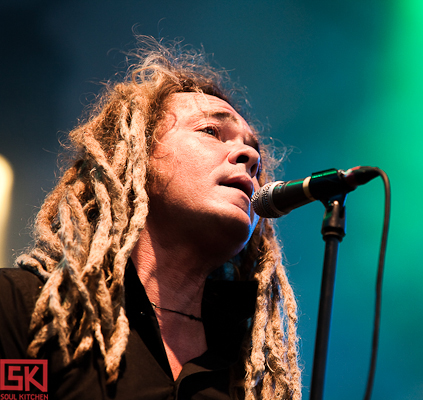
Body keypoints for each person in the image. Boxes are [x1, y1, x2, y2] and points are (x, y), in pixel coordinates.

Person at [0, 37, 301, 400]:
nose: (247, 156)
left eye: (255, 152)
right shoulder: (23, 307)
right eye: (211, 131)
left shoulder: (251, 373)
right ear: (136, 156)